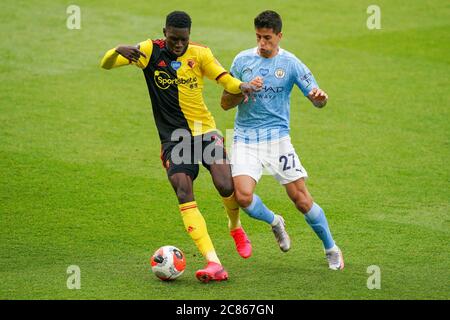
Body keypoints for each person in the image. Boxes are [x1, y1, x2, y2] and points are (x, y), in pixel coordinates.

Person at [101, 11, 258, 282]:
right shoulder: (150, 51)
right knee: (184, 191)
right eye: (173, 39)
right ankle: (214, 263)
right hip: (174, 139)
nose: (178, 45)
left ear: (189, 36)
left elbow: (223, 79)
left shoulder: (200, 54)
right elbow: (106, 65)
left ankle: (235, 227)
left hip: (204, 131)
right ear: (165, 32)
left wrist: (241, 85)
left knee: (225, 185)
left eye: (183, 40)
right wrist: (116, 50)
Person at [221, 10, 344, 270]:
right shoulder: (242, 60)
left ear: (279, 36)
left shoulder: (291, 64)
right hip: (245, 138)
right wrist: (243, 88)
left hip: (277, 140)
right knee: (243, 197)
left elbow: (315, 97)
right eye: (258, 37)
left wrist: (320, 99)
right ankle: (275, 222)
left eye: (268, 38)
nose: (262, 44)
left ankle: (331, 248)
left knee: (301, 200)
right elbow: (224, 103)